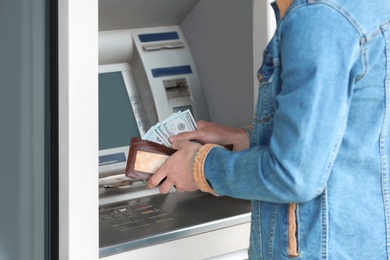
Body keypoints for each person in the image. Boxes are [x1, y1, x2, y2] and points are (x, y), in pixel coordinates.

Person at [146, 0, 390, 258]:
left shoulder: (318, 19)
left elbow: (293, 174)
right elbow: (344, 137)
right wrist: (242, 139)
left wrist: (199, 167)